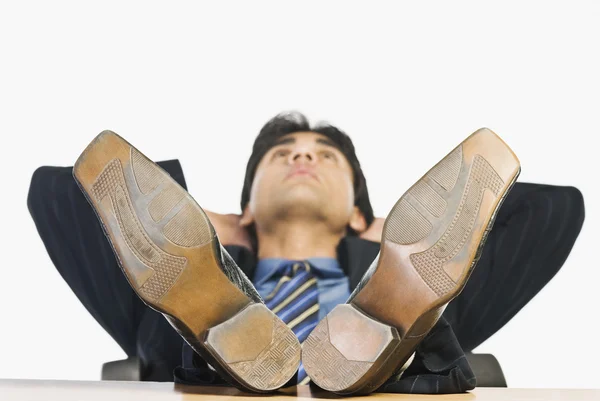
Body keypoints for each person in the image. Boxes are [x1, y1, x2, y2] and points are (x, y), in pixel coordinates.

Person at [28, 112, 585, 394]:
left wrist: (393, 238)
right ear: (243, 207)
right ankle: (218, 313)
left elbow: (555, 210)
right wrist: (210, 227)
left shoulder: (422, 265)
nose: (303, 158)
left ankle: (387, 314)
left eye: (324, 156)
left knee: (427, 326)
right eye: (283, 155)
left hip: (392, 394)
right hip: (209, 391)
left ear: (358, 212)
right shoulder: (169, 269)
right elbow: (57, 193)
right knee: (190, 332)